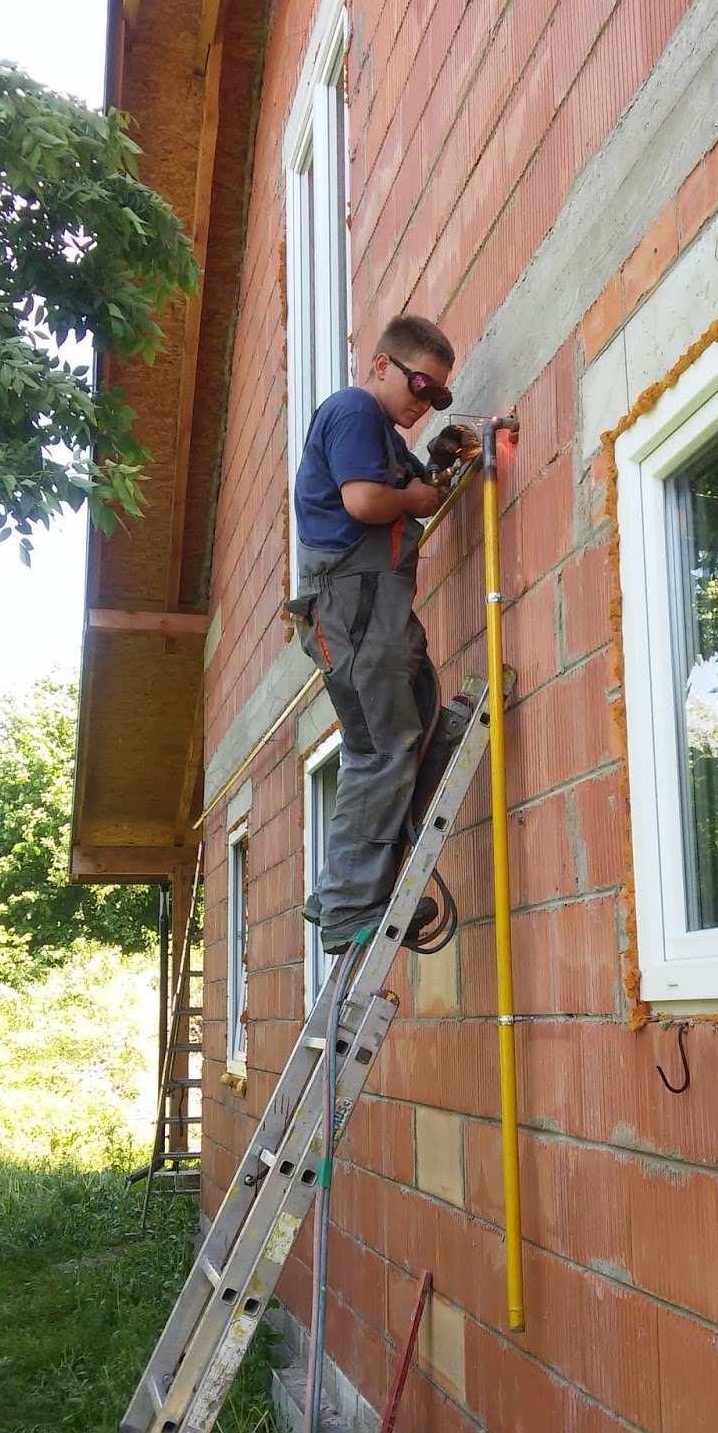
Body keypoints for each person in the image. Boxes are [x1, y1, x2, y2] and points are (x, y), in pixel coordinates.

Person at [288, 314, 456, 954]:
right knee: (381, 749)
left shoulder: (383, 437)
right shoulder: (356, 407)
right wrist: (414, 499)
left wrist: (439, 469)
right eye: (421, 385)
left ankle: (340, 889)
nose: (426, 402)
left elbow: (421, 488)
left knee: (407, 727)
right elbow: (364, 502)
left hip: (369, 608)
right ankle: (352, 908)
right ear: (382, 365)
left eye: (438, 396)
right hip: (353, 605)